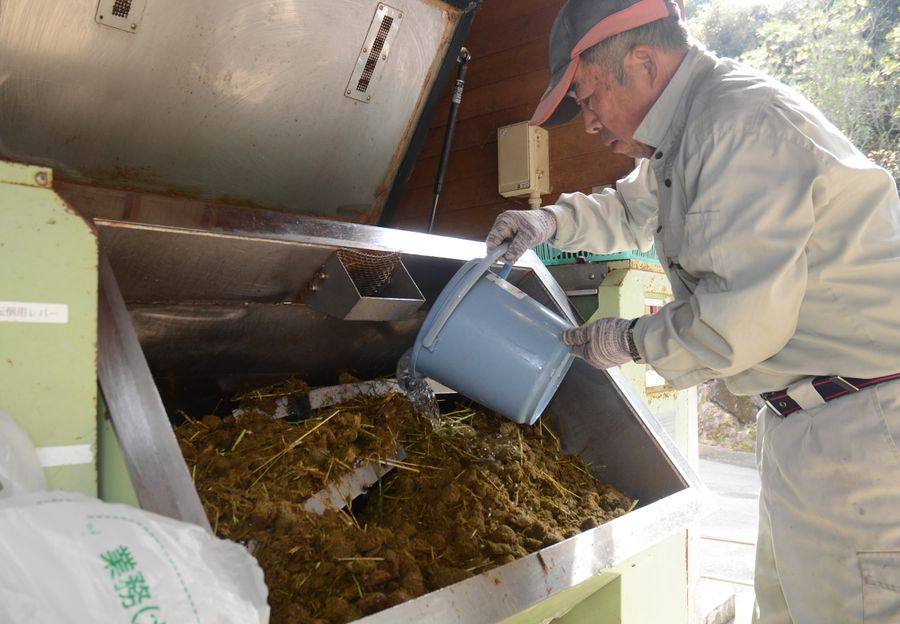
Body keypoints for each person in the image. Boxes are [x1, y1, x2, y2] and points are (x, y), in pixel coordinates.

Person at [485, 0, 900, 622]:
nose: (587, 122)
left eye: (588, 97)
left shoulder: (739, 125)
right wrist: (547, 221)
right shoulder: (690, 134)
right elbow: (627, 210)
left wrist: (626, 340)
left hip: (862, 427)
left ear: (644, 63)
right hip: (806, 420)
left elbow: (739, 323)